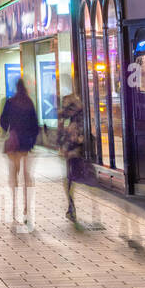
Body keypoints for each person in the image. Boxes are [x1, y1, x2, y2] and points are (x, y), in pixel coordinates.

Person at [0, 80, 40, 231]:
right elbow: (35, 124)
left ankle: (15, 204)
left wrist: (10, 130)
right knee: (27, 175)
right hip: (25, 143)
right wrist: (32, 141)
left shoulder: (10, 102)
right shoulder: (28, 102)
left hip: (14, 142)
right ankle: (26, 207)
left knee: (13, 173)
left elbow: (3, 120)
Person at [56, 91, 87, 223]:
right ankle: (71, 206)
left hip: (74, 148)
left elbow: (62, 116)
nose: (63, 106)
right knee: (70, 178)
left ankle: (71, 207)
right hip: (75, 147)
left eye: (65, 103)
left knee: (69, 179)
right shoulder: (79, 111)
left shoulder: (74, 111)